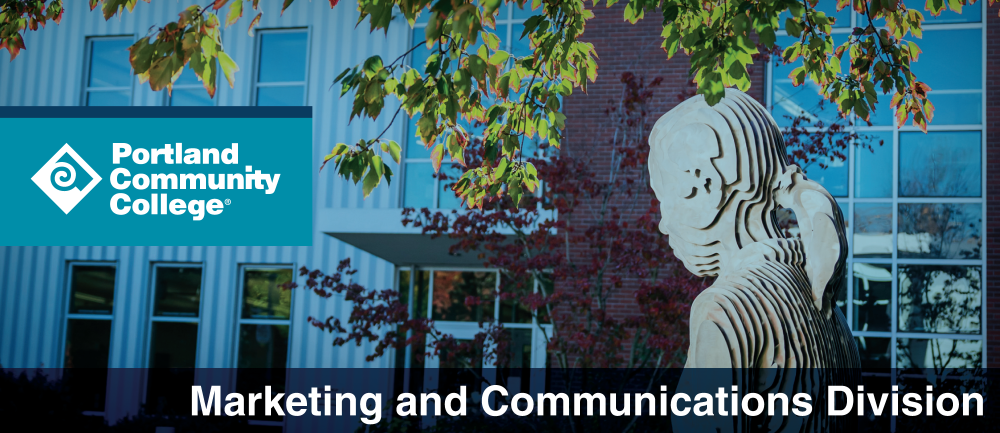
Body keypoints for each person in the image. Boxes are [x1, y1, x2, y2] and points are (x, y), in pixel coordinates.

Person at [648, 89, 860, 431]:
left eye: (666, 198)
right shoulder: (827, 305)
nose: (663, 221)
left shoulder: (726, 309)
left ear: (707, 184)